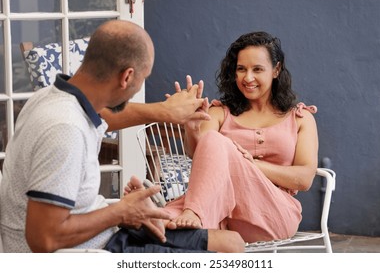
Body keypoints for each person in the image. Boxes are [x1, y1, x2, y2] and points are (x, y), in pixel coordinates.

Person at [0, 19, 244, 253]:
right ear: (127, 76)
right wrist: (122, 212)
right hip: (85, 253)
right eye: (143, 78)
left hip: (102, 235)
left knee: (232, 243)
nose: (139, 86)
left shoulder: (55, 97)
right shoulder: (65, 129)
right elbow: (43, 239)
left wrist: (166, 112)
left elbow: (106, 117)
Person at [163, 31, 319, 243]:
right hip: (222, 212)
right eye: (241, 69)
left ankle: (194, 214)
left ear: (276, 70)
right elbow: (201, 155)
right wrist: (190, 127)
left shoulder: (300, 118)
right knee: (161, 221)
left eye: (257, 69)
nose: (248, 78)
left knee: (216, 142)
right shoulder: (219, 113)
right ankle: (167, 221)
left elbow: (304, 178)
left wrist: (249, 164)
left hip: (273, 215)